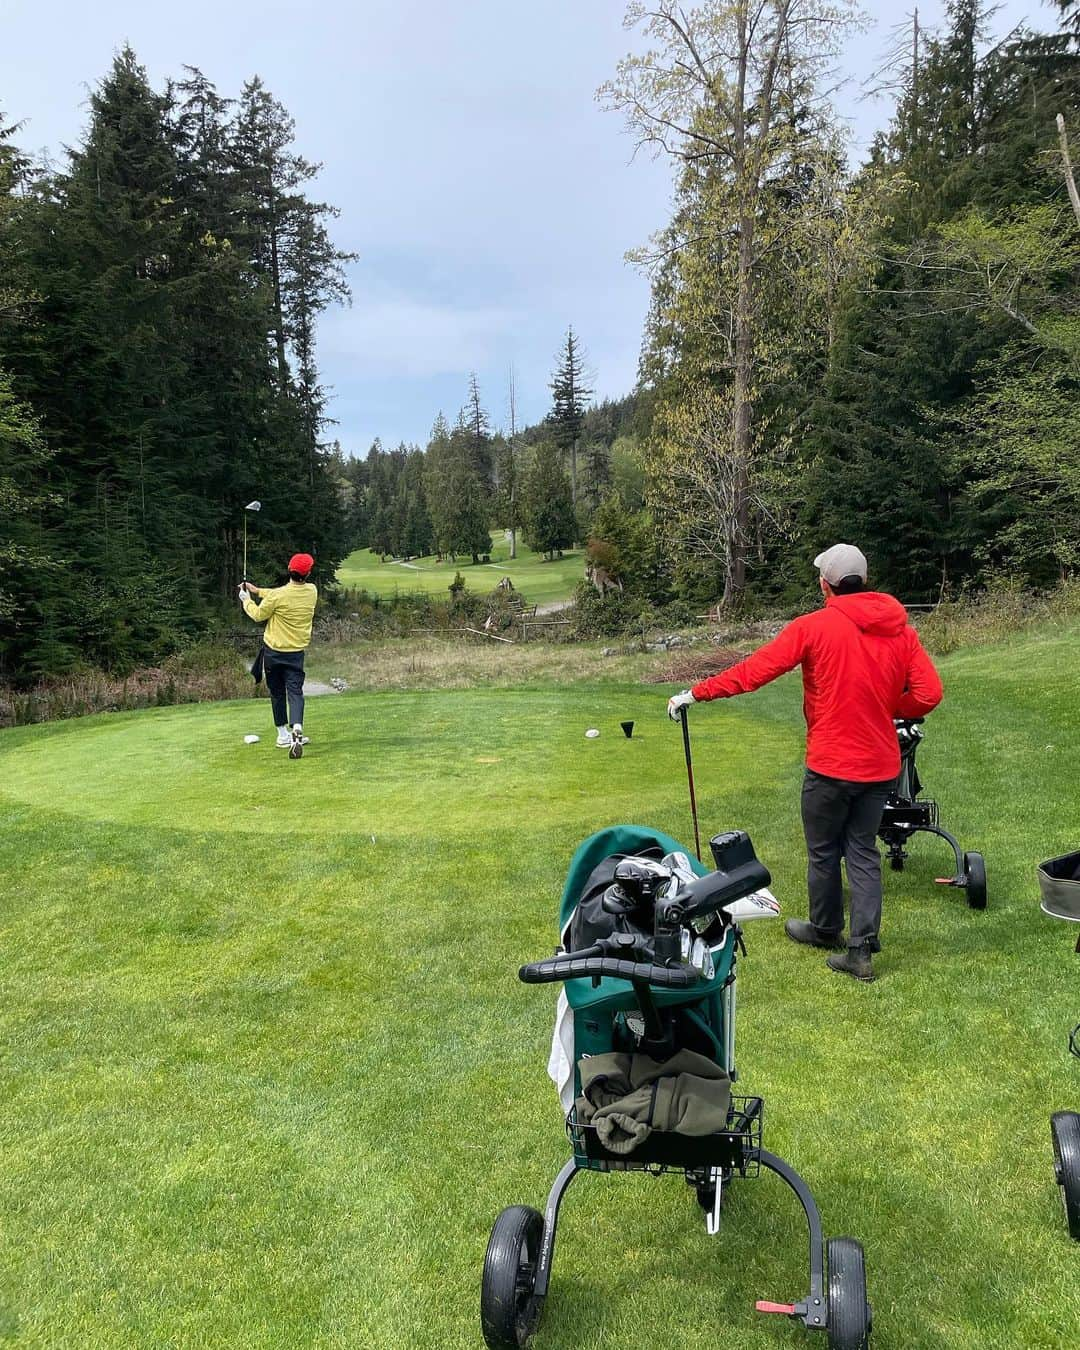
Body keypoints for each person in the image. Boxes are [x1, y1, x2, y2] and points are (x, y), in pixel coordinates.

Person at [667, 544, 943, 982]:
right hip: (879, 766)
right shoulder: (900, 630)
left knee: (823, 852)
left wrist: (696, 692)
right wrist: (889, 704)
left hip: (831, 764)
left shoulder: (814, 626)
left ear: (825, 584)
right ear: (864, 581)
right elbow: (928, 694)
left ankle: (826, 929)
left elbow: (756, 671)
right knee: (863, 852)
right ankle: (861, 949)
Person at [240, 552, 319, 758]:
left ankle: (283, 735)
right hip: (295, 654)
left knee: (277, 693)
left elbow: (258, 614)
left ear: (289, 570)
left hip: (273, 653)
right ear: (307, 573)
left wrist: (246, 599)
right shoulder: (312, 591)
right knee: (295, 692)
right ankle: (298, 728)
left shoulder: (278, 596)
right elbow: (282, 595)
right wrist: (258, 591)